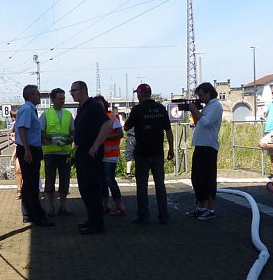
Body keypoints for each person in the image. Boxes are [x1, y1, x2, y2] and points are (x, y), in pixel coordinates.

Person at [124, 83, 175, 225]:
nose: (137, 95)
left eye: (137, 93)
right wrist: (171, 148)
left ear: (141, 94)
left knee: (142, 186)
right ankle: (163, 215)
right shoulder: (160, 108)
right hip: (158, 152)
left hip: (142, 153)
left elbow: (126, 127)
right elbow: (168, 130)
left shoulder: (137, 109)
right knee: (160, 185)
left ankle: (143, 215)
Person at [70, 81, 113, 235]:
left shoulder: (93, 106)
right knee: (84, 188)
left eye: (74, 90)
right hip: (82, 151)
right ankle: (92, 218)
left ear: (83, 90)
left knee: (92, 188)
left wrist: (95, 145)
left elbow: (107, 125)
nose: (72, 93)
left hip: (90, 152)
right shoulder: (81, 108)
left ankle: (97, 223)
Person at [14, 85, 53, 227]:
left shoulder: (29, 109)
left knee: (29, 183)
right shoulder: (27, 110)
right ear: (30, 95)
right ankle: (38, 216)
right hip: (29, 149)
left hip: (31, 148)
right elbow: (22, 129)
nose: (39, 96)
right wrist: (27, 150)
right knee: (32, 183)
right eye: (37, 94)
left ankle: (28, 214)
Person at [186, 82, 222, 220]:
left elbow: (206, 122)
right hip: (200, 145)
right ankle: (201, 206)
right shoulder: (207, 106)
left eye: (201, 95)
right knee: (197, 178)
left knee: (208, 178)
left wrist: (195, 110)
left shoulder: (216, 106)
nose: (200, 98)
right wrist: (194, 112)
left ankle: (210, 209)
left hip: (209, 146)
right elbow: (199, 123)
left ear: (208, 93)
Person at [39, 88, 74, 217]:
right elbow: (40, 132)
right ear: (52, 100)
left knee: (65, 180)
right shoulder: (46, 114)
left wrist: (71, 138)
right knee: (50, 180)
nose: (62, 101)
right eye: (60, 99)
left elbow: (73, 131)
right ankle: (51, 206)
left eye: (63, 98)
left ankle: (63, 206)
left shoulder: (68, 114)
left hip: (65, 152)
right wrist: (52, 140)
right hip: (50, 153)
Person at [94, 96, 125, 216]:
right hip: (99, 155)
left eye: (101, 104)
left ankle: (119, 205)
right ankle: (105, 205)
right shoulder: (94, 119)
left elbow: (120, 134)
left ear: (105, 105)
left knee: (109, 179)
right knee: (102, 181)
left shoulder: (112, 117)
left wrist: (103, 137)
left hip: (111, 154)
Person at [8, 107, 22, 199]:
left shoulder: (22, 123)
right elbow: (11, 134)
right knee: (18, 170)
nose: (14, 119)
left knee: (24, 171)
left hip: (22, 148)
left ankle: (24, 189)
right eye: (13, 117)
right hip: (18, 149)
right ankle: (19, 189)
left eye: (15, 116)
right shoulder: (14, 125)